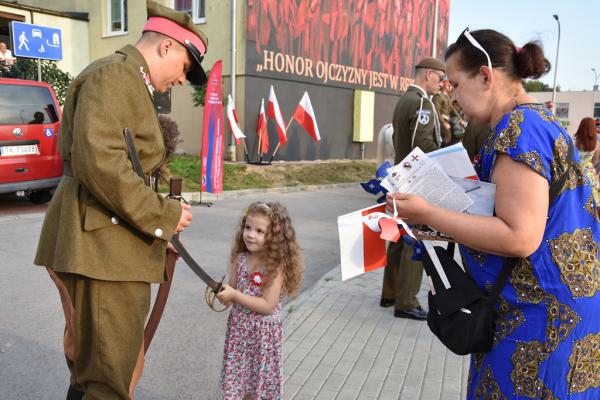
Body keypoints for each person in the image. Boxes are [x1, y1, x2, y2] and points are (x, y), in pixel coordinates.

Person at [387, 28, 600, 399]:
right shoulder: (535, 122)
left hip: (540, 320)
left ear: (486, 76)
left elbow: (519, 236)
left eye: (454, 84)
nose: (451, 96)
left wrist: (431, 212)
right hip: (552, 309)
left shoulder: (519, 130)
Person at [33, 2, 207, 399]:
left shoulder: (127, 79)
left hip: (106, 243)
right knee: (108, 375)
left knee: (96, 369)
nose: (183, 79)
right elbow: (101, 164)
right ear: (166, 46)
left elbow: (119, 160)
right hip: (103, 249)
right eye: (185, 66)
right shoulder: (115, 76)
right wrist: (162, 214)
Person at [217, 201, 304, 400]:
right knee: (239, 385)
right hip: (239, 334)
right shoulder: (239, 258)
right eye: (247, 227)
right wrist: (223, 295)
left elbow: (267, 305)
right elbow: (232, 295)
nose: (250, 234)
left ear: (274, 237)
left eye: (259, 231)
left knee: (257, 387)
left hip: (262, 337)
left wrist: (234, 295)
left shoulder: (275, 266)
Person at [381, 57, 445, 320]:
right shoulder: (421, 103)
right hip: (416, 181)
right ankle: (406, 302)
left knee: (396, 238)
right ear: (428, 74)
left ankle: (390, 293)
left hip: (401, 177)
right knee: (413, 240)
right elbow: (424, 147)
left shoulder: (404, 100)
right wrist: (447, 156)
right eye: (439, 79)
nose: (441, 85)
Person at [574, 117, 599, 207]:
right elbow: (595, 160)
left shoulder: (573, 140)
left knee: (577, 198)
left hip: (576, 171)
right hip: (589, 173)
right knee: (591, 200)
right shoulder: (597, 143)